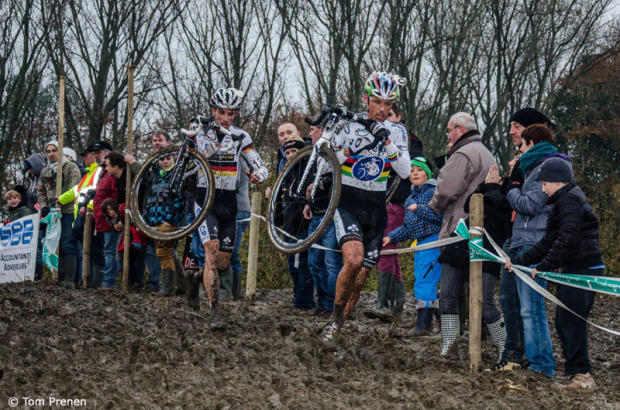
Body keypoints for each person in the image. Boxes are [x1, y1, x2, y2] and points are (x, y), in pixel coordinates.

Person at [322, 71, 411, 343]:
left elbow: (405, 171)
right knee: (353, 260)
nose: (383, 109)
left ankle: (338, 327)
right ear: (366, 99)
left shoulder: (396, 130)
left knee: (359, 280)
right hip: (348, 202)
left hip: (376, 208)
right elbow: (325, 164)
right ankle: (333, 321)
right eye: (377, 102)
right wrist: (349, 150)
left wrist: (388, 142)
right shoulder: (349, 125)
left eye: (388, 104)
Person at [506, 157, 603, 389]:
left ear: (557, 182)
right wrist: (520, 262)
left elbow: (566, 239)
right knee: (563, 321)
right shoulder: (561, 203)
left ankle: (582, 374)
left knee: (571, 321)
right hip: (573, 268)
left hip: (584, 268)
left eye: (544, 184)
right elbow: (549, 240)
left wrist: (544, 266)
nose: (542, 189)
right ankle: (577, 371)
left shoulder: (570, 201)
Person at [427, 112, 505, 361]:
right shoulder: (486, 152)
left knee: (449, 292)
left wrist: (434, 205)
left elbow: (446, 188)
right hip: (482, 231)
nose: (447, 135)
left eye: (449, 130)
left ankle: (450, 344)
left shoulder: (463, 154)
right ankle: (504, 346)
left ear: (460, 129)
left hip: (460, 228)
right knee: (483, 297)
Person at [191, 87, 268, 328]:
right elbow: (197, 156)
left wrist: (259, 175)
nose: (226, 118)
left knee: (223, 261)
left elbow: (260, 165)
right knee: (211, 252)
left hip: (229, 202)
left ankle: (196, 277)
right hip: (205, 199)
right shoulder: (200, 132)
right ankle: (214, 313)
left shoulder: (241, 136)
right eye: (221, 112)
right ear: (213, 111)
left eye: (231, 113)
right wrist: (212, 136)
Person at [491, 124, 564, 377]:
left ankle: (542, 365)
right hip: (523, 239)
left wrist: (511, 188)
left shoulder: (545, 168)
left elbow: (530, 204)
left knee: (532, 308)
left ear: (531, 143)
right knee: (523, 306)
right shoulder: (534, 168)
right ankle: (534, 361)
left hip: (533, 240)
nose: (519, 151)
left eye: (522, 145)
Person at [383, 157, 442, 335]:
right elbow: (409, 227)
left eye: (419, 170)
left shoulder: (435, 192)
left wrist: (419, 209)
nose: (415, 173)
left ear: (427, 174)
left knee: (425, 282)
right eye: (412, 170)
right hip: (420, 244)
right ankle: (443, 325)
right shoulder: (410, 198)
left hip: (434, 241)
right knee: (423, 281)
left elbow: (439, 217)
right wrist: (390, 237)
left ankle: (423, 326)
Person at [366, 103, 411, 320]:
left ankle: (384, 303)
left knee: (385, 249)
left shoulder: (406, 141)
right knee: (390, 252)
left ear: (398, 117)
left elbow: (408, 171)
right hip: (382, 201)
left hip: (395, 202)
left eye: (390, 114)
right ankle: (395, 303)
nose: (385, 118)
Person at [304, 125, 343, 316]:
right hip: (316, 214)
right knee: (314, 263)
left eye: (314, 130)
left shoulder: (338, 153)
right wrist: (308, 203)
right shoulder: (315, 155)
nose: (310, 134)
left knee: (331, 263)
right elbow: (311, 184)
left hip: (333, 217)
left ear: (324, 131)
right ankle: (322, 303)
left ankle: (334, 305)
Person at [38, 140, 81, 288]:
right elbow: (41, 191)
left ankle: (69, 279)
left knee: (67, 243)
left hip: (67, 211)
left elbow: (74, 187)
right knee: (57, 244)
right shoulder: (45, 171)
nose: (51, 154)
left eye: (54, 150)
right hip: (52, 213)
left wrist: (61, 200)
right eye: (48, 151)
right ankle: (59, 277)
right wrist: (44, 207)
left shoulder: (70, 167)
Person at [142, 153, 186, 295]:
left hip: (168, 220)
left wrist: (169, 218)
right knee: (168, 251)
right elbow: (150, 199)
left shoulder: (177, 176)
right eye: (162, 159)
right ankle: (182, 284)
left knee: (163, 251)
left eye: (168, 159)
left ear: (173, 160)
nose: (165, 162)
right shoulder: (156, 177)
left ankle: (168, 287)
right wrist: (146, 218)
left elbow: (179, 199)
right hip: (154, 219)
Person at [93, 152, 131, 289]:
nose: (107, 167)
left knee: (111, 251)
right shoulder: (104, 174)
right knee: (109, 251)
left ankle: (109, 282)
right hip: (103, 220)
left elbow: (116, 199)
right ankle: (108, 280)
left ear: (115, 166)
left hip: (110, 221)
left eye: (109, 165)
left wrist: (115, 218)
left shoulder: (113, 178)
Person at [101, 198, 146, 291]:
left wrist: (136, 239)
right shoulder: (115, 219)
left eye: (111, 209)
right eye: (108, 212)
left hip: (134, 240)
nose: (111, 212)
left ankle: (136, 283)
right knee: (126, 262)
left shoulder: (124, 209)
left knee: (136, 263)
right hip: (126, 242)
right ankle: (129, 282)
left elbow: (134, 223)